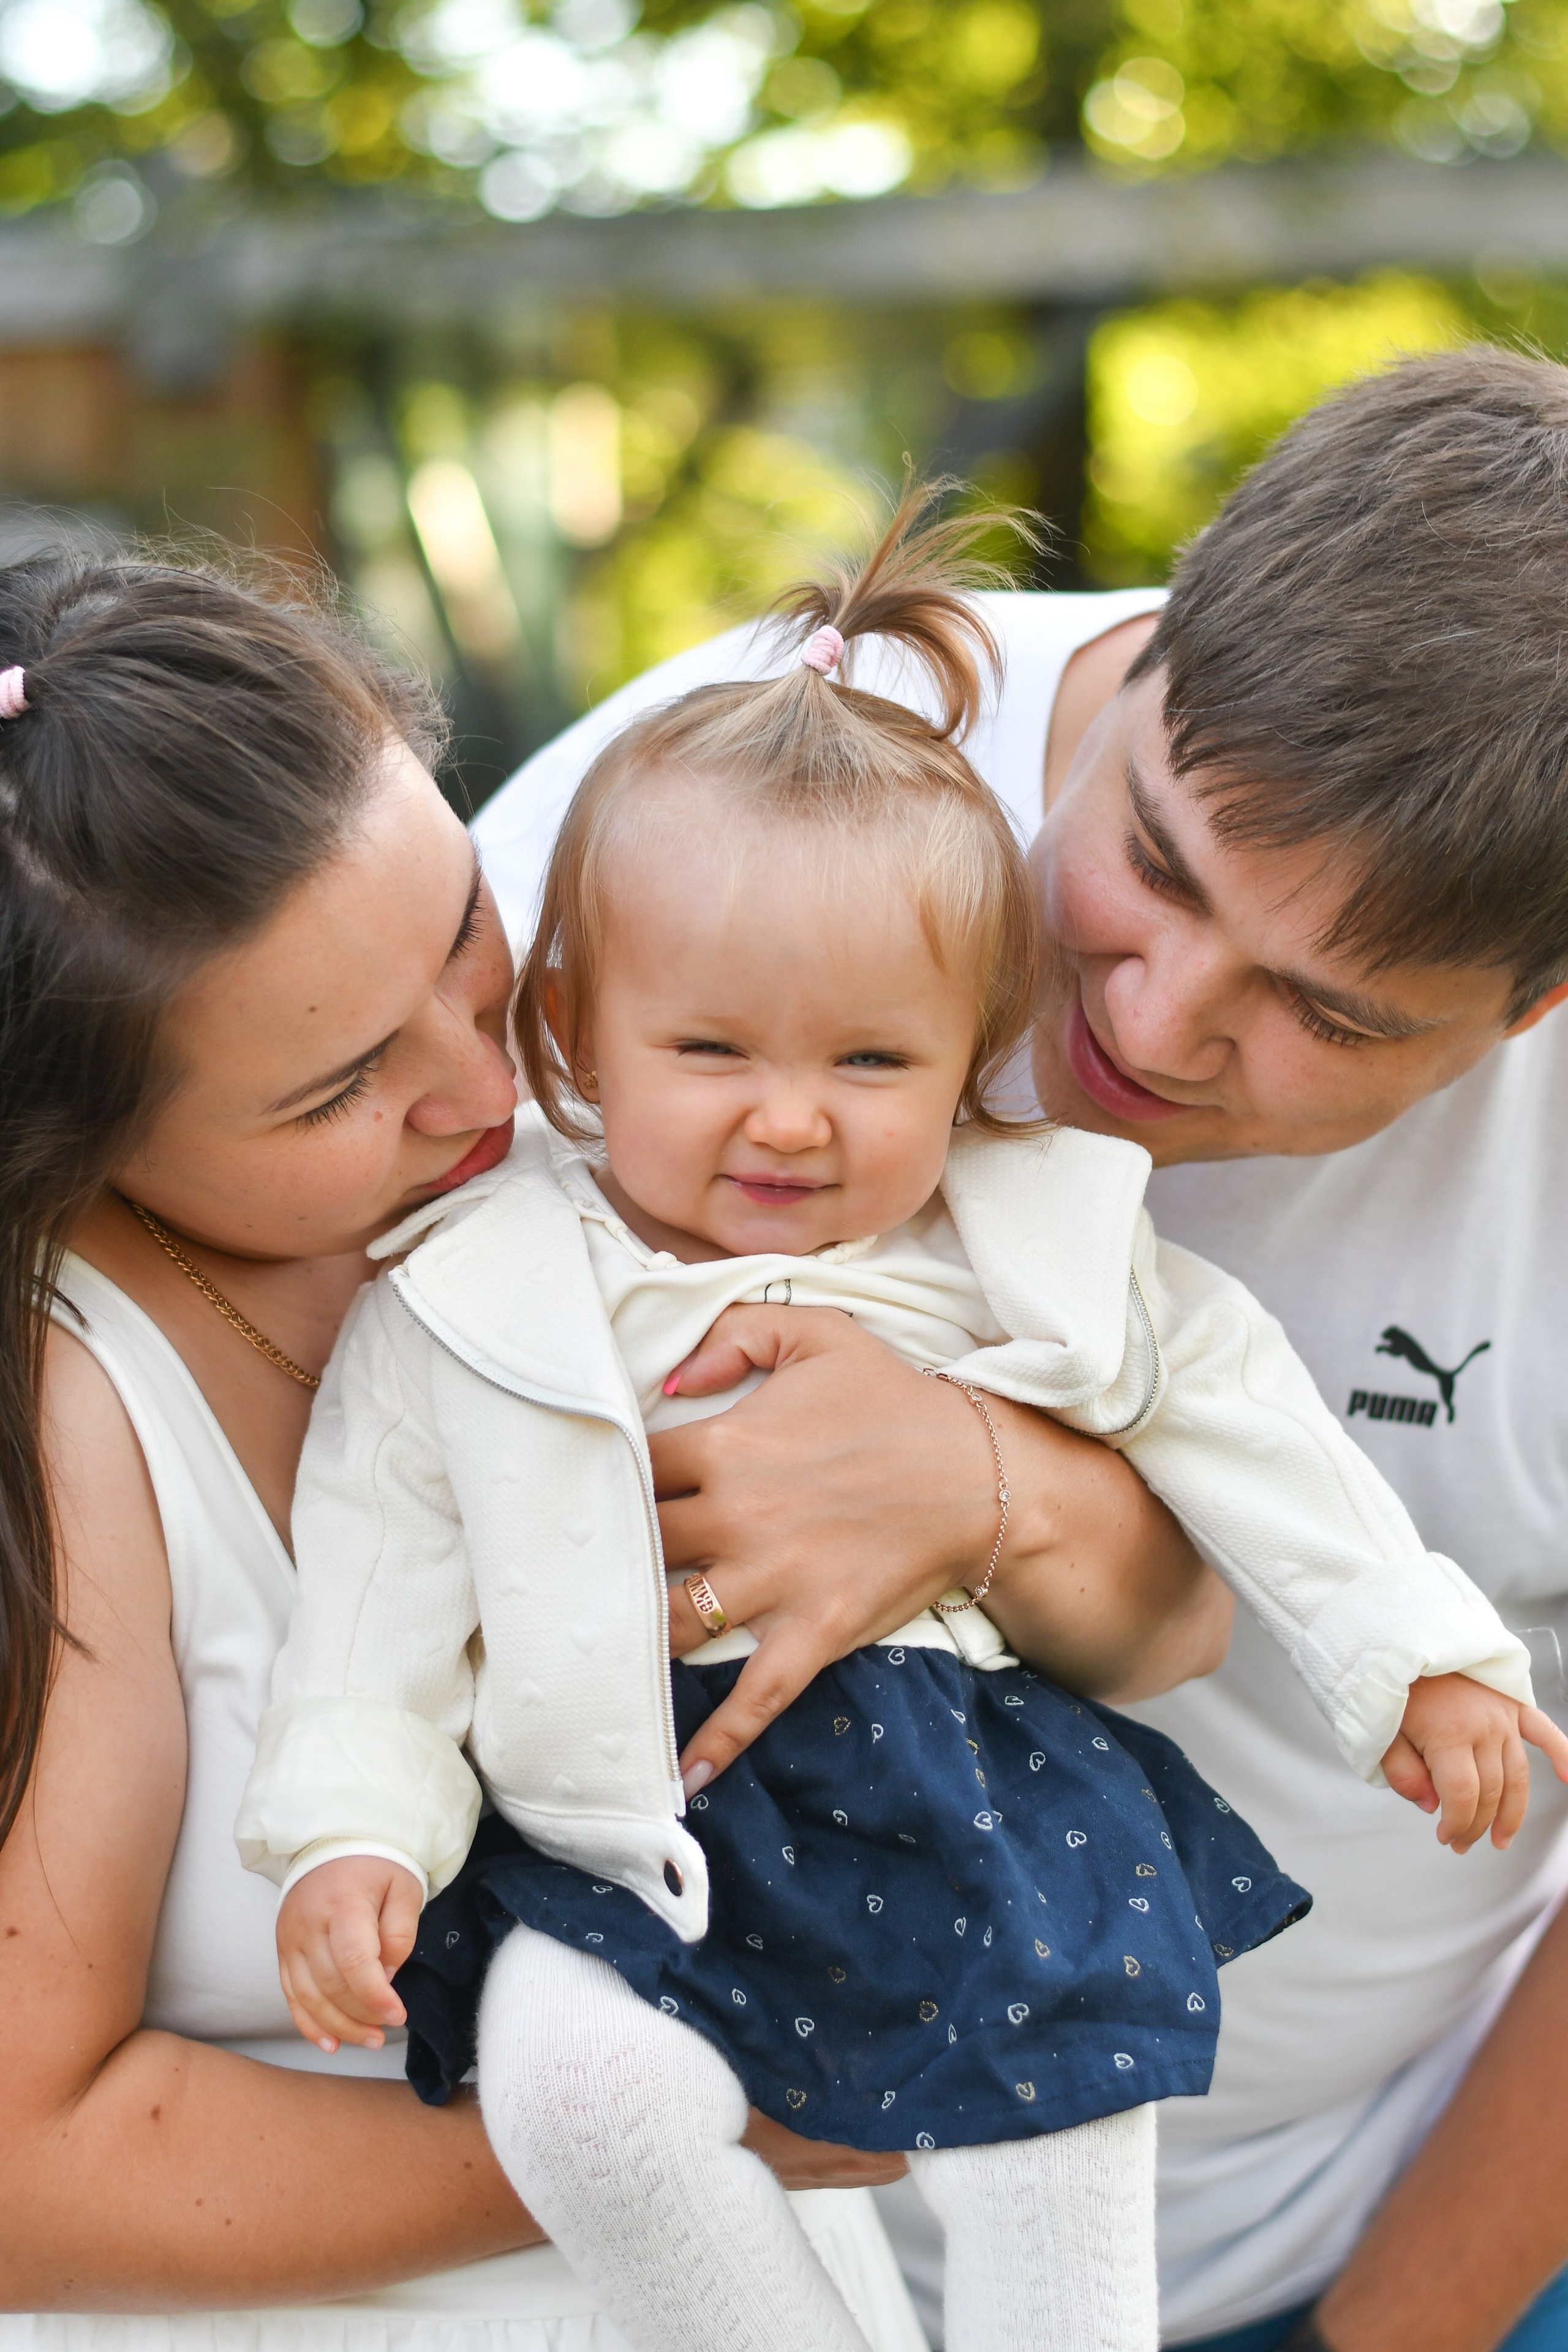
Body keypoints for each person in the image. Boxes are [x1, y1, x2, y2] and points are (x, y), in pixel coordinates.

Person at [469, 345, 1568, 2352]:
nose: (1154, 1020)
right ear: (1155, 638)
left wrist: (1381, 2337)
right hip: (650, 2240)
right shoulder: (733, 799)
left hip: (1332, 2235)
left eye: (1324, 1011)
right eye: (1150, 860)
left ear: (1529, 1010)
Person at [0, 552, 1218, 2346]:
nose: (484, 1090)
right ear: (67, 1134)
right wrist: (728, 2092)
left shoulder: (623, 1139)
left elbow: (1170, 1624)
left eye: (463, 947)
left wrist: (989, 1484)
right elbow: (22, 2182)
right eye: (337, 1088)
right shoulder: (68, 1403)